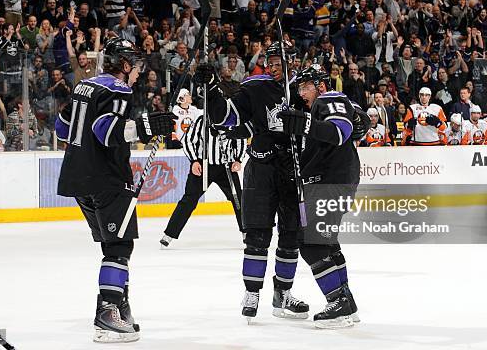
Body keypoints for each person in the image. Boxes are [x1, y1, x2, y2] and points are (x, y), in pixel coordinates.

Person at [56, 38, 175, 343]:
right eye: (134, 66)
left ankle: (120, 306)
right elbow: (106, 132)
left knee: (114, 246)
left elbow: (61, 128)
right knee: (119, 247)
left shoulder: (86, 85)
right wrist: (146, 128)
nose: (137, 73)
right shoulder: (118, 89)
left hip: (77, 177)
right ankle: (107, 313)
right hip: (106, 178)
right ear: (123, 65)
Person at [193, 41, 310, 321]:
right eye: (269, 61)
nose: (273, 66)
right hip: (261, 168)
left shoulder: (304, 90)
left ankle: (282, 294)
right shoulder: (256, 87)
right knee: (257, 235)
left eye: (278, 60)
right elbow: (225, 117)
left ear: (292, 60)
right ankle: (252, 292)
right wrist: (211, 88)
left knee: (291, 236)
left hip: (293, 170)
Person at [277, 64, 369, 328]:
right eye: (299, 88)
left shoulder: (329, 98)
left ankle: (337, 303)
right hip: (330, 181)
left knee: (311, 243)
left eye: (305, 87)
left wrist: (305, 123)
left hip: (331, 181)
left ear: (320, 85)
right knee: (327, 244)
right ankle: (346, 302)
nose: (301, 93)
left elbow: (340, 132)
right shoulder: (319, 108)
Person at [159, 114, 246, 247]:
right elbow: (188, 140)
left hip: (226, 167)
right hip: (202, 165)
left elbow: (241, 139)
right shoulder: (201, 120)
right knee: (189, 200)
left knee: (239, 199)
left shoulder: (233, 119)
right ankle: (169, 234)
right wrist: (194, 161)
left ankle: (247, 233)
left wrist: (238, 159)